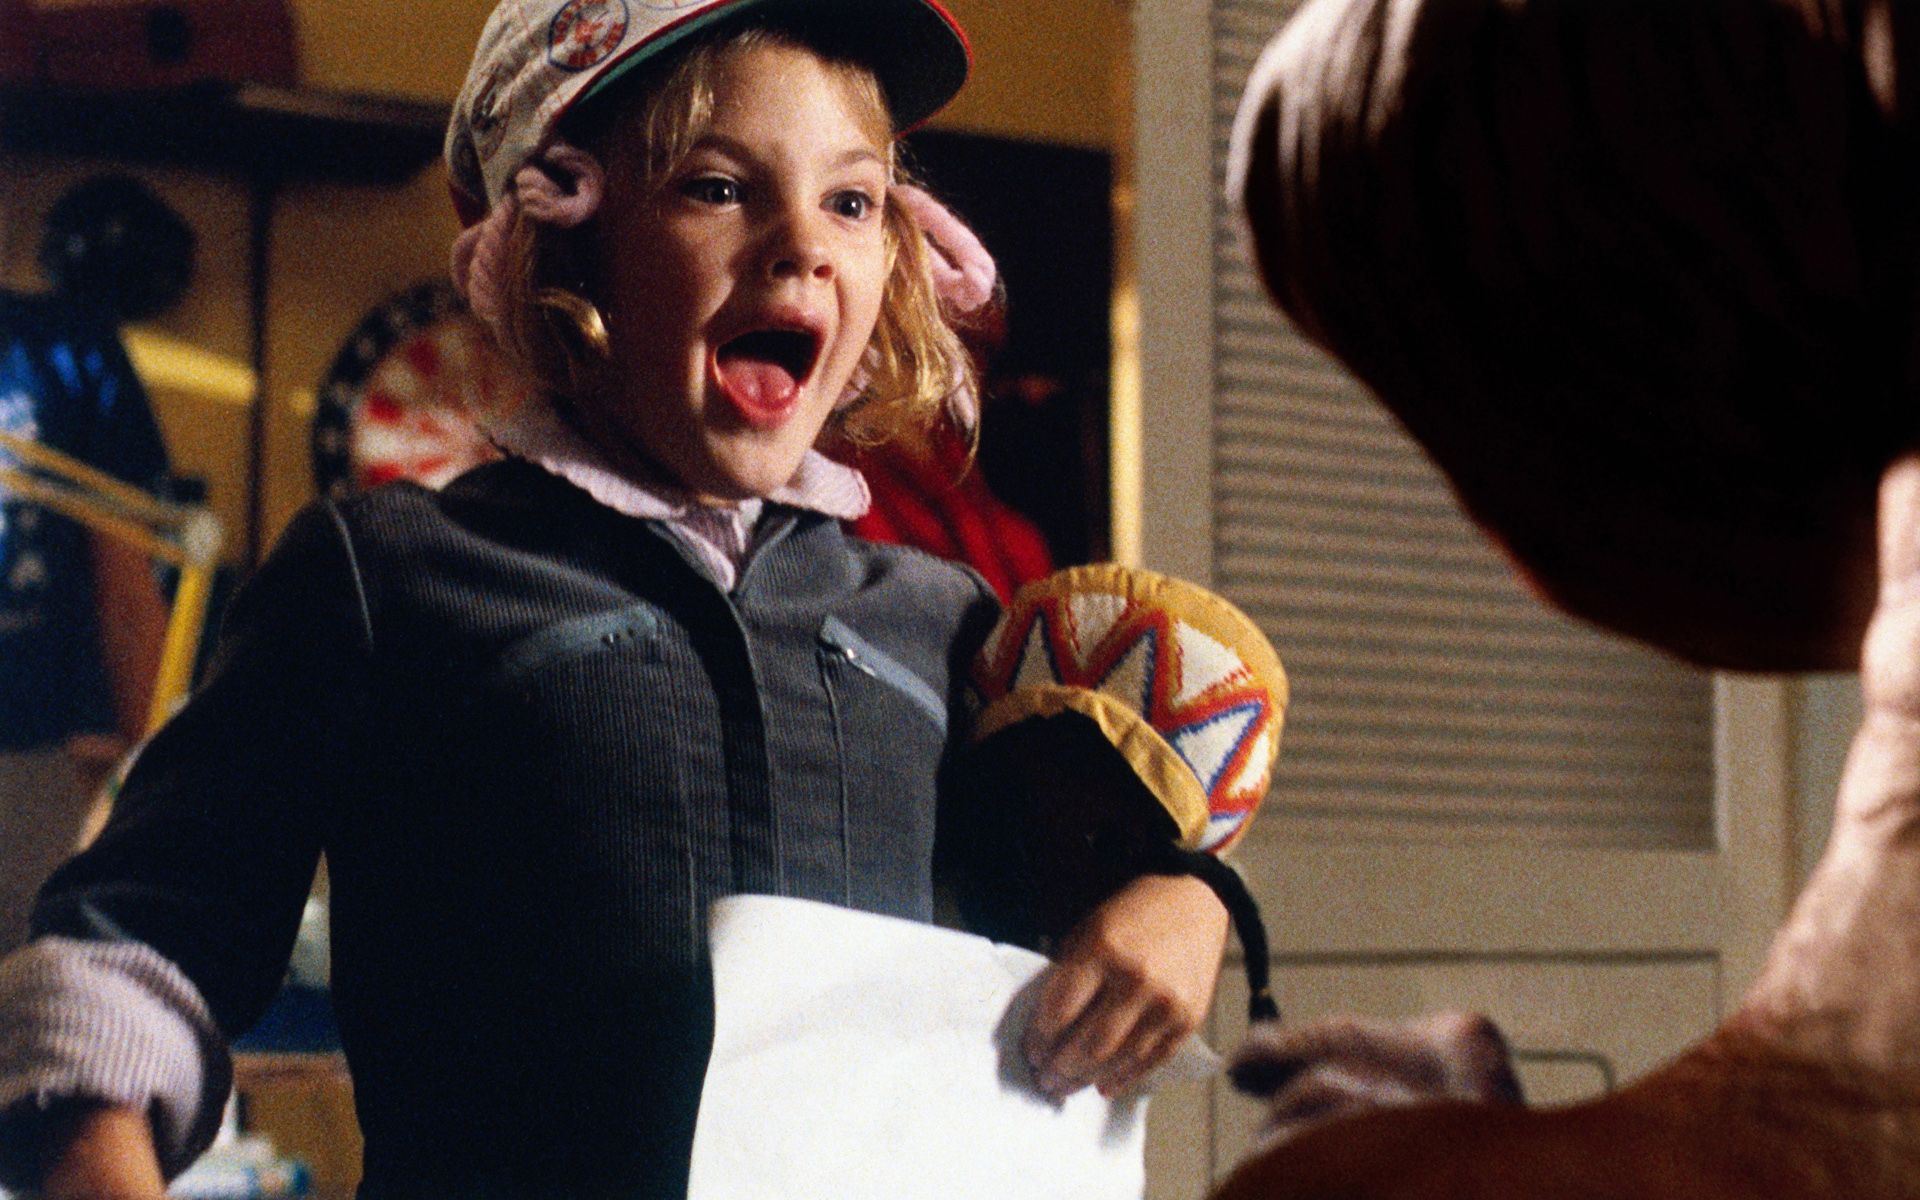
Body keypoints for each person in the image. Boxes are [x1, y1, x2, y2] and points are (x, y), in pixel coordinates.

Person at [0, 3, 1234, 1198]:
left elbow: (1084, 894)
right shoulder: (387, 575)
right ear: (559, 239)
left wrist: (1184, 901)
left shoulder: (948, 620)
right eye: (717, 186)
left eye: (852, 200)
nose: (802, 241)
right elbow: (136, 947)